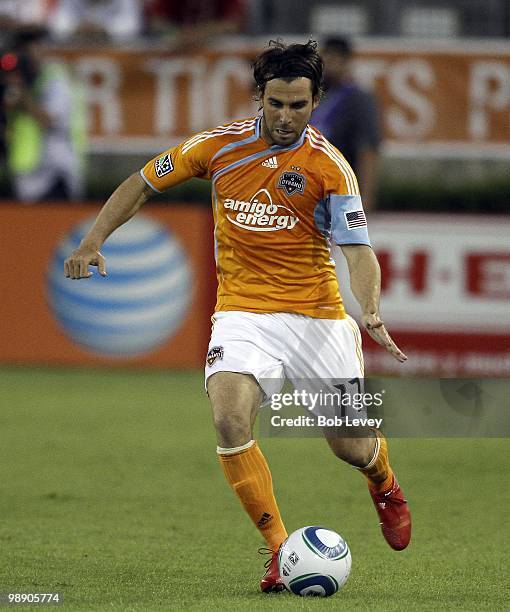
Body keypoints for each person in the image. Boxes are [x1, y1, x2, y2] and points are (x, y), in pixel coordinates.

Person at [64, 40, 411, 593]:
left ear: (316, 100)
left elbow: (357, 249)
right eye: (276, 103)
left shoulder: (330, 167)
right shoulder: (217, 146)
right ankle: (279, 551)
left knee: (350, 445)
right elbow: (142, 183)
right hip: (243, 311)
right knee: (228, 419)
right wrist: (92, 241)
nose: (285, 116)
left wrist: (368, 307)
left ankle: (384, 481)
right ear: (261, 96)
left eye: (298, 105)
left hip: (317, 315)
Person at [3, 27, 86, 202]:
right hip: (26, 171)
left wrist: (23, 92)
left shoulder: (55, 79)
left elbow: (49, 120)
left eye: (29, 51)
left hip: (55, 171)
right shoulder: (14, 80)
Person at [311, 36, 381, 212]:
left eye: (335, 58)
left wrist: (366, 199)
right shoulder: (313, 95)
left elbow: (368, 150)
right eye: (326, 57)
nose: (330, 63)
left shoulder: (358, 99)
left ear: (347, 62)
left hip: (341, 189)